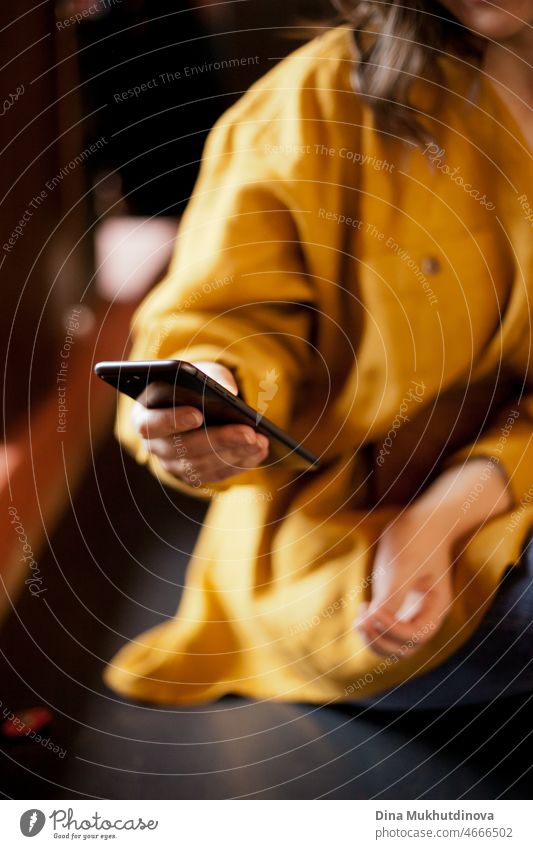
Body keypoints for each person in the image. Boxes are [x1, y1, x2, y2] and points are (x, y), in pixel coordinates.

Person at [103, 0, 533, 708]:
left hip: (481, 512)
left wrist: (441, 514)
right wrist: (211, 388)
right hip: (352, 558)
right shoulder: (317, 102)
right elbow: (217, 320)